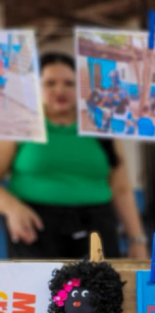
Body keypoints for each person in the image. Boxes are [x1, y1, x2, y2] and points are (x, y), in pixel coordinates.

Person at [0, 53, 147, 259]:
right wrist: (11, 208)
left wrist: (136, 240)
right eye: (50, 83)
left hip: (97, 228)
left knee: (99, 289)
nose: (60, 90)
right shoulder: (21, 126)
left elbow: (121, 190)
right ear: (36, 88)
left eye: (69, 83)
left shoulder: (101, 129)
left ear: (82, 89)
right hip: (35, 230)